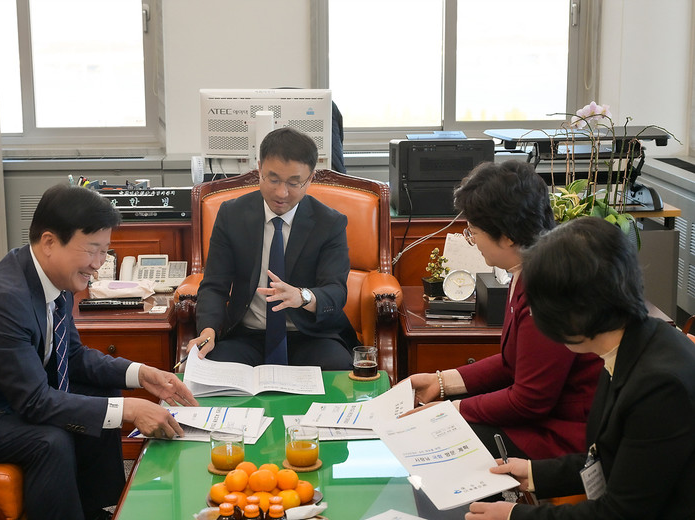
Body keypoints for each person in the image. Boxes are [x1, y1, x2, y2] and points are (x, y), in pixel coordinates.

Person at [0, 184, 199, 520]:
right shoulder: (2, 300)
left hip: (4, 397)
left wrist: (141, 374)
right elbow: (35, 402)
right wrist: (130, 409)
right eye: (92, 250)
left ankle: (93, 511)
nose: (98, 264)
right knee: (49, 440)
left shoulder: (53, 279)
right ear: (49, 242)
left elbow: (73, 357)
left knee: (103, 393)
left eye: (105, 252)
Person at [468, 217, 695, 519]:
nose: (536, 318)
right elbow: (607, 458)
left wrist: (514, 515)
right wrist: (535, 473)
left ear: (578, 309)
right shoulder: (631, 342)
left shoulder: (659, 387)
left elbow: (620, 513)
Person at [402, 160, 602, 460]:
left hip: (562, 432)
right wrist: (440, 381)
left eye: (473, 231)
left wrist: (450, 411)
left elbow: (530, 400)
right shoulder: (526, 267)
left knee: (432, 437)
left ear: (507, 235)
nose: (472, 241)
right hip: (541, 416)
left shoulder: (551, 286)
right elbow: (513, 363)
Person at [189, 127, 357, 368]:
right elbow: (215, 285)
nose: (281, 193)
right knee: (209, 368)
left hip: (311, 336)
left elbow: (336, 291)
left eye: (294, 183)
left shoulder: (329, 223)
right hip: (246, 335)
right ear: (259, 169)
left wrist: (302, 296)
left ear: (310, 179)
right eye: (273, 179)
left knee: (337, 368)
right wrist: (208, 330)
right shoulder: (231, 215)